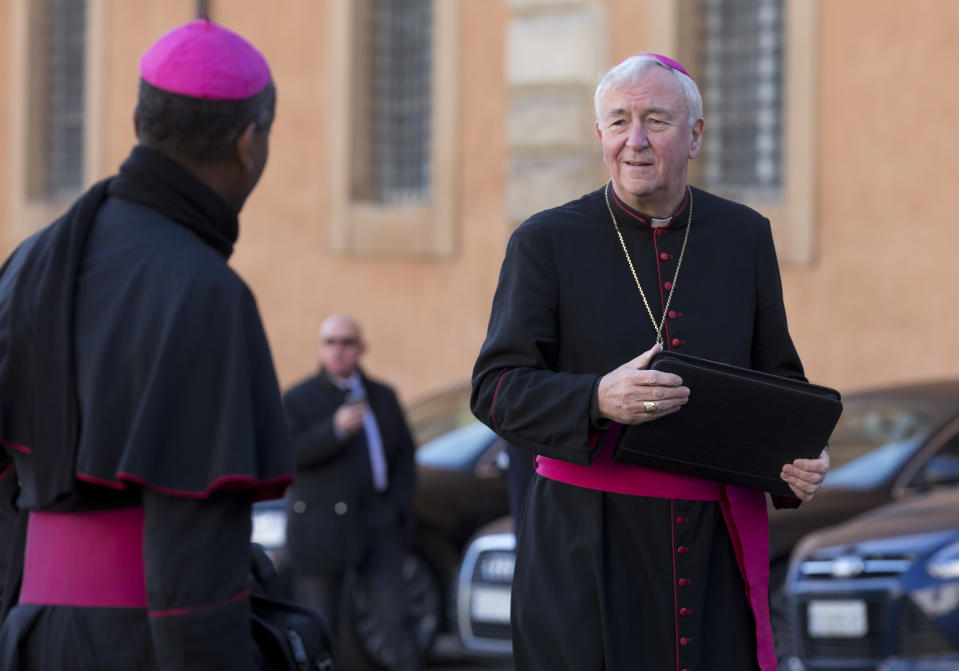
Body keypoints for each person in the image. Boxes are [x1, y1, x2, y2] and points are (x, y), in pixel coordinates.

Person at [471, 53, 829, 671]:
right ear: (600, 136)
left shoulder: (743, 236)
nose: (634, 141)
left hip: (711, 543)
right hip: (586, 545)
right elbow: (496, 388)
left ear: (694, 134)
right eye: (618, 122)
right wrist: (593, 399)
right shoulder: (546, 240)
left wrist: (798, 456)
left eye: (656, 121)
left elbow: (778, 379)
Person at [0, 19, 292, 670]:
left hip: (25, 634)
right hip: (144, 646)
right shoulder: (207, 292)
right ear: (249, 143)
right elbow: (194, 567)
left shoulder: (26, 262)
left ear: (138, 118)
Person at [284, 314, 420, 671]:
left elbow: (404, 456)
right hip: (320, 529)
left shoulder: (382, 396)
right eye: (330, 342)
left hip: (377, 522)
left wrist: (397, 508)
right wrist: (334, 431)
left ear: (361, 348)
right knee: (319, 627)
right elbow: (289, 455)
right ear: (320, 348)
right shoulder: (300, 398)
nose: (338, 350)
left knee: (394, 620)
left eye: (346, 342)